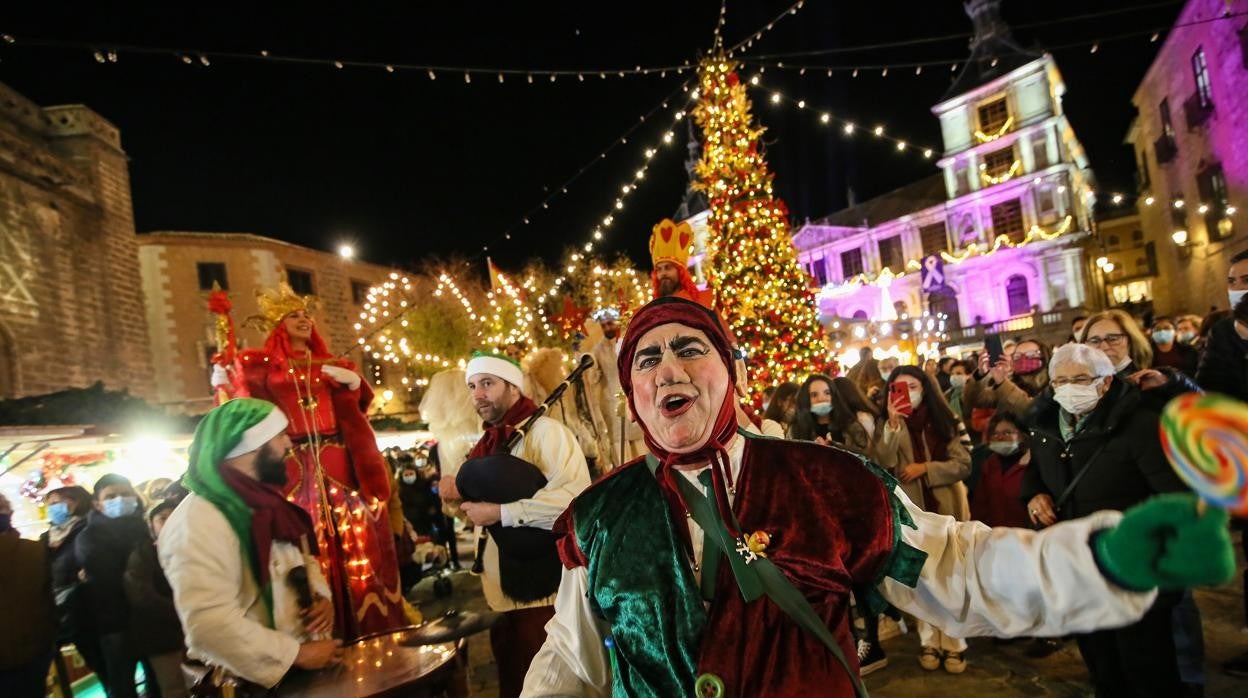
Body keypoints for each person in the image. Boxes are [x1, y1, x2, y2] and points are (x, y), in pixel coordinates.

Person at [519, 296, 1233, 697]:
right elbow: (570, 663)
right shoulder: (601, 517)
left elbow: (960, 569)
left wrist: (1098, 558)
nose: (668, 366)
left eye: (689, 349)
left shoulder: (830, 481)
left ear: (729, 374)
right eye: (648, 358)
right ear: (635, 393)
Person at [217, 282, 405, 639]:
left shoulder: (335, 364)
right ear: (278, 325)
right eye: (294, 316)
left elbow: (361, 407)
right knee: (306, 545)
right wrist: (225, 382)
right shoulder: (259, 367)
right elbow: (243, 406)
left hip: (338, 462)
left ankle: (371, 624)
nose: (303, 320)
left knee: (359, 544)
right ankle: (322, 628)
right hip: (292, 466)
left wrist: (355, 384)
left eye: (306, 315)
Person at [1020, 343, 1194, 696]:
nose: (1069, 387)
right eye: (1060, 381)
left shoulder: (1140, 424)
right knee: (1102, 668)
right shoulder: (1044, 427)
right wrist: (1034, 494)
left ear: (1105, 382)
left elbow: (1177, 498)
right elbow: (1037, 474)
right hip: (1078, 568)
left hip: (1133, 571)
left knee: (1148, 670)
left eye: (1081, 378)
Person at [160, 398, 342, 690]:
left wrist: (321, 599)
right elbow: (208, 624)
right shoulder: (198, 521)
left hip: (299, 674)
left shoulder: (267, 504)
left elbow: (302, 563)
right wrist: (295, 654)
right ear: (254, 445)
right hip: (250, 683)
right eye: (279, 436)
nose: (288, 445)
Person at [439, 352, 591, 698]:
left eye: (488, 384)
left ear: (512, 388)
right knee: (512, 680)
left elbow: (574, 502)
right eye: (473, 386)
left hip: (542, 593)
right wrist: (457, 499)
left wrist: (501, 513)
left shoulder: (548, 434)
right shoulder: (487, 444)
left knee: (547, 685)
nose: (478, 394)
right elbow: (476, 510)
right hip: (499, 593)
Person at [876, 364, 973, 674]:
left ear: (925, 388)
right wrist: (891, 425)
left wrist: (925, 468)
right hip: (912, 510)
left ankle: (954, 642)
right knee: (922, 579)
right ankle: (929, 639)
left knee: (952, 575)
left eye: (912, 386)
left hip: (947, 506)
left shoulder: (945, 419)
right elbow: (881, 462)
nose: (906, 393)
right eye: (897, 387)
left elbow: (963, 463)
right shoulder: (890, 424)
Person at [75, 474, 151, 698]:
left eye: (126, 494)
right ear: (97, 504)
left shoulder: (146, 526)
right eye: (111, 496)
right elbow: (108, 579)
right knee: (122, 685)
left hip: (152, 619)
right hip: (114, 623)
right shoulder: (89, 537)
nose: (120, 499)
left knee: (158, 682)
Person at [40, 486, 108, 685]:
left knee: (103, 662)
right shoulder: (47, 538)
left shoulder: (88, 528)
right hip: (60, 609)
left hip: (88, 606)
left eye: (58, 503)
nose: (54, 508)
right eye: (50, 504)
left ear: (77, 501)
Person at [124, 499, 186, 698]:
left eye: (174, 515)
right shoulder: (143, 554)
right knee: (174, 687)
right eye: (162, 518)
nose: (169, 521)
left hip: (196, 630)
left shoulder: (197, 548)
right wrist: (182, 611)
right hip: (163, 635)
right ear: (151, 524)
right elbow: (142, 595)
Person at [1081, 308, 1198, 412]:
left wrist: (1170, 384)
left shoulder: (1151, 382)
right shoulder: (1076, 387)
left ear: (1131, 342)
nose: (1104, 347)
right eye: (1094, 341)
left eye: (1113, 339)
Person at [0, 492, 56, 698]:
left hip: (31, 655)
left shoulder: (34, 552)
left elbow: (50, 600)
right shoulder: (35, 551)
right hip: (33, 652)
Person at [582, 308, 647, 468]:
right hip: (612, 406)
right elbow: (593, 376)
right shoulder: (597, 350)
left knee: (641, 444)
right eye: (603, 326)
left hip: (635, 399)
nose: (607, 328)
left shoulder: (630, 341)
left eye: (610, 324)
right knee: (621, 449)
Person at [967, 413, 1031, 529]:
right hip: (995, 536)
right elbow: (980, 506)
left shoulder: (1032, 464)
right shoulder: (989, 465)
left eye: (1007, 432)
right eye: (995, 434)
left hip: (1027, 537)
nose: (1000, 437)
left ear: (1022, 435)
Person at [964, 337, 1052, 418]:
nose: (1023, 359)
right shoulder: (1008, 384)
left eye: (1031, 355)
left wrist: (1003, 383)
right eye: (1017, 356)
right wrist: (980, 375)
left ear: (1044, 357)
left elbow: (1031, 411)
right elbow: (975, 400)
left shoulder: (1053, 383)